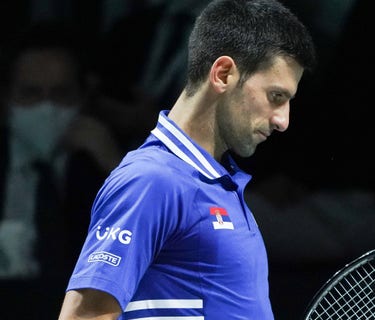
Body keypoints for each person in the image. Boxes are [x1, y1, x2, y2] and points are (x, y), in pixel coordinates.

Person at [57, 0, 316, 319]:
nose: (283, 120)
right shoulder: (151, 180)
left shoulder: (222, 185)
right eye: (276, 96)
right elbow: (84, 316)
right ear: (223, 74)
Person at [0, 20, 124, 319]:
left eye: (60, 94)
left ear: (82, 97)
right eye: (30, 94)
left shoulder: (100, 164)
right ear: (6, 99)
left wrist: (113, 163)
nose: (46, 109)